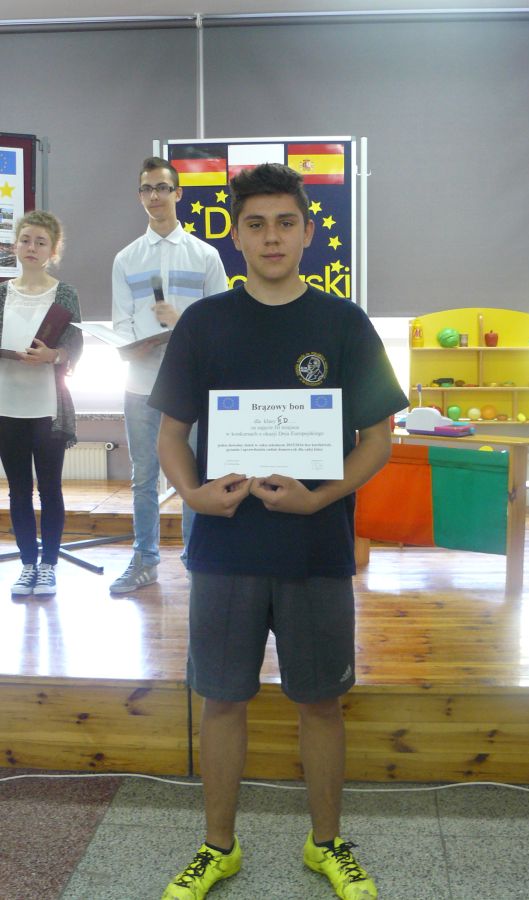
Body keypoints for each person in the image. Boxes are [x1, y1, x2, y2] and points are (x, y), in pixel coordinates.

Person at [150, 163, 407, 900]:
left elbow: (378, 439)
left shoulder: (343, 323)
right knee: (221, 700)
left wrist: (320, 498)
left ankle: (326, 844)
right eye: (256, 224)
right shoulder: (205, 323)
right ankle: (218, 848)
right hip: (225, 549)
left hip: (315, 549)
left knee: (320, 702)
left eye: (285, 223)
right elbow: (172, 435)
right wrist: (192, 494)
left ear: (306, 232)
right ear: (235, 236)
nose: (271, 237)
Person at [110, 157, 228, 594]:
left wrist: (182, 323)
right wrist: (133, 343)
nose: (154, 196)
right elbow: (120, 322)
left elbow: (221, 324)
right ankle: (145, 560)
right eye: (147, 189)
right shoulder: (126, 258)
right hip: (141, 384)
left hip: (190, 387)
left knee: (193, 476)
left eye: (162, 188)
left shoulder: (205, 255)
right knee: (143, 477)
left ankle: (197, 560)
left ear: (178, 193)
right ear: (140, 196)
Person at [0, 210, 83, 597]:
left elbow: (75, 346)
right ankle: (27, 564)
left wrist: (54, 356)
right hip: (7, 404)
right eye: (25, 240)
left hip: (48, 406)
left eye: (40, 242)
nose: (31, 247)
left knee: (50, 488)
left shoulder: (64, 293)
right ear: (15, 245)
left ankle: (49, 565)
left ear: (53, 250)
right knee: (18, 490)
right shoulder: (3, 292)